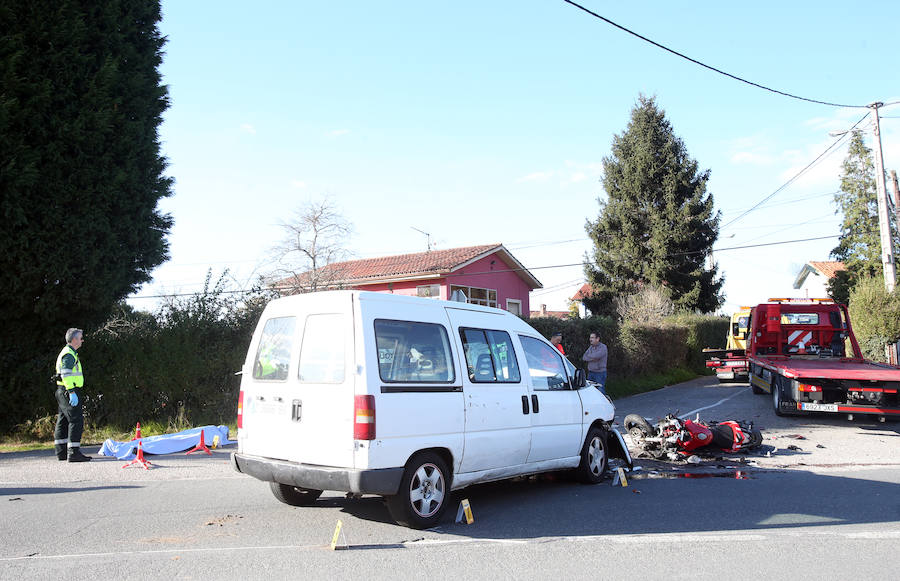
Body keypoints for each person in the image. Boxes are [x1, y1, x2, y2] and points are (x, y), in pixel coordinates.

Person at [54, 328, 91, 462]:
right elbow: (66, 373)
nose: (82, 340)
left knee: (63, 420)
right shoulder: (69, 354)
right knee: (76, 420)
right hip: (68, 390)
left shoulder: (69, 352)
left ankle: (61, 452)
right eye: (81, 338)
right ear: (74, 339)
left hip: (62, 390)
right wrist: (71, 392)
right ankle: (73, 453)